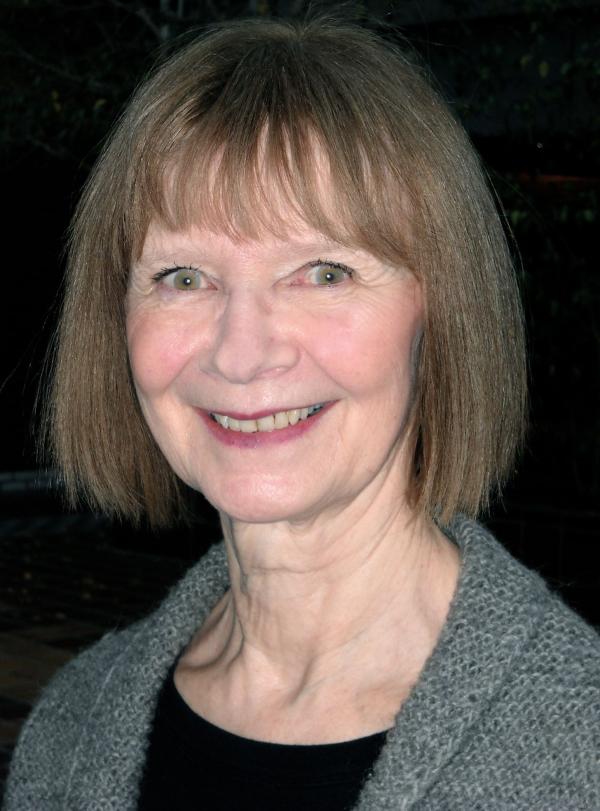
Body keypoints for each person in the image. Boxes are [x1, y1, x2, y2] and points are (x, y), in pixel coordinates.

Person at [4, 15, 599, 811]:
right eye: (185, 278)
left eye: (323, 272)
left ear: (440, 310)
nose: (241, 353)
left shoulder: (580, 748)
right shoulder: (70, 729)